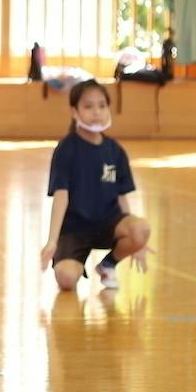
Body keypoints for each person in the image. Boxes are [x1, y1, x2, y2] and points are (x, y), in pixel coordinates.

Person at [40, 80, 153, 292]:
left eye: (102, 105)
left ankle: (108, 265)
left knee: (141, 228)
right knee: (66, 278)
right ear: (75, 112)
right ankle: (72, 259)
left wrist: (137, 243)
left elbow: (122, 197)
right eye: (88, 106)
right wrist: (52, 241)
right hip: (74, 229)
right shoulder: (66, 149)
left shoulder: (115, 151)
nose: (97, 112)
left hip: (108, 224)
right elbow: (61, 196)